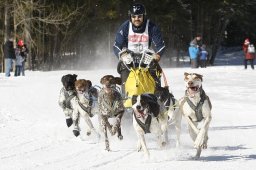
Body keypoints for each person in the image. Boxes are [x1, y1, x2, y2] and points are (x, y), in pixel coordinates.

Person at [113, 3, 165, 92]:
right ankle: (125, 97)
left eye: (139, 16)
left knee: (155, 72)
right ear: (130, 17)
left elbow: (160, 45)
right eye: (134, 16)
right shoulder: (125, 27)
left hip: (146, 57)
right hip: (129, 57)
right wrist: (121, 55)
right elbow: (117, 45)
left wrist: (158, 55)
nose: (136, 19)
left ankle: (156, 97)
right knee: (124, 69)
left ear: (144, 16)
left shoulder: (152, 27)